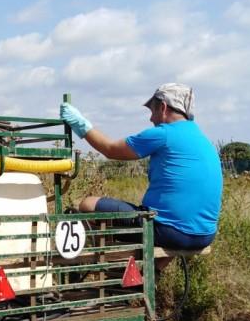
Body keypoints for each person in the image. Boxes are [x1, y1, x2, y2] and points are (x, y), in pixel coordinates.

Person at [60, 83, 221, 251]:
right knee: (173, 219)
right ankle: (151, 267)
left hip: (168, 231)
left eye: (152, 111)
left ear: (163, 107)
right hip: (205, 235)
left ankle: (107, 259)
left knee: (87, 205)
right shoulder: (202, 138)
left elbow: (110, 149)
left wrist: (80, 124)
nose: (151, 119)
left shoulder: (163, 133)